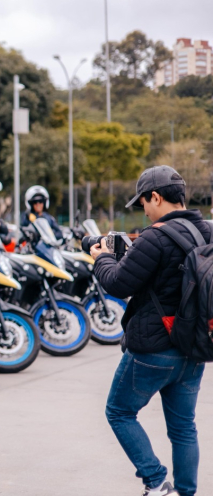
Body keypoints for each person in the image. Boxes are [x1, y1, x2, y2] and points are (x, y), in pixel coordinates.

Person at [90, 166, 209, 496]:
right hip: (194, 345)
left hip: (154, 347)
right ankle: (185, 492)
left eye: (143, 202)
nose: (144, 210)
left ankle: (156, 482)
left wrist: (100, 258)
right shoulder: (206, 232)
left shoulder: (155, 237)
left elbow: (118, 282)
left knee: (119, 411)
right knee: (184, 427)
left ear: (156, 197)